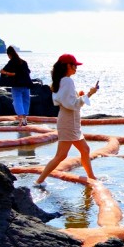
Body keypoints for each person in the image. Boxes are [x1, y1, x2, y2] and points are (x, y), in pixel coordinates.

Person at [35, 54, 99, 185]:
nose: (76, 68)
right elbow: (71, 104)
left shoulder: (62, 80)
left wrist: (79, 96)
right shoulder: (67, 81)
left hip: (71, 121)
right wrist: (89, 94)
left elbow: (68, 101)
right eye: (74, 65)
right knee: (61, 155)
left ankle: (92, 177)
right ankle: (39, 181)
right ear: (68, 66)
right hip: (69, 122)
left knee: (85, 150)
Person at [0, 46, 33, 126]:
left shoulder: (12, 62)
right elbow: (27, 72)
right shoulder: (23, 62)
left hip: (17, 85)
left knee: (17, 101)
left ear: (9, 54)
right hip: (26, 84)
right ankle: (25, 119)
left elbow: (14, 73)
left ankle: (20, 119)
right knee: (26, 101)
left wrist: (4, 72)